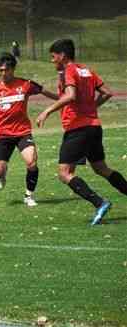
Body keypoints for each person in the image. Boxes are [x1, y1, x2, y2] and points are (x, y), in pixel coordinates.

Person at [36, 39, 127, 225]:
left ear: (62, 56)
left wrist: (47, 111)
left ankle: (100, 203)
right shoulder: (86, 70)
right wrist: (92, 107)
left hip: (77, 129)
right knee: (101, 168)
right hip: (94, 126)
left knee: (64, 173)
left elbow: (71, 96)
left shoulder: (70, 70)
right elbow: (107, 92)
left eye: (53, 57)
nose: (52, 61)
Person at [0, 52, 58, 206]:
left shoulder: (25, 84)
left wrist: (61, 98)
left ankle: (29, 196)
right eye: (0, 70)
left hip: (22, 132)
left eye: (6, 70)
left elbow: (43, 90)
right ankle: (1, 175)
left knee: (32, 162)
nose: (3, 73)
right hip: (3, 134)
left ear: (13, 69)